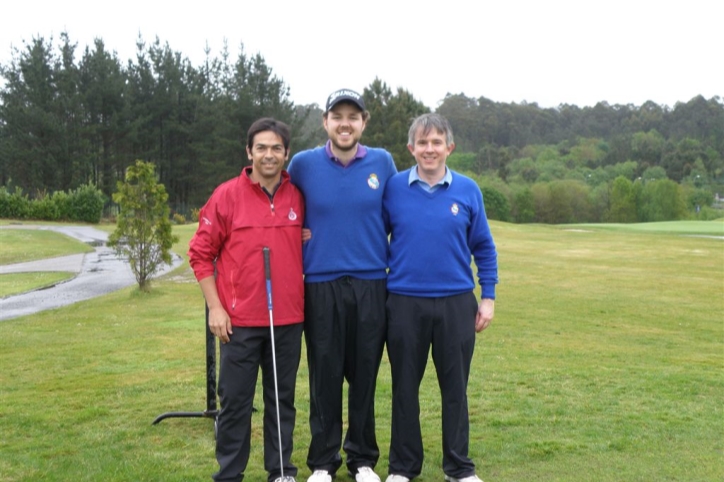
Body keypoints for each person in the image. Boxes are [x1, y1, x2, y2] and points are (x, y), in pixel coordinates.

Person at [286, 88, 397, 482]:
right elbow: (281, 203)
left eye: (353, 116)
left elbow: (397, 216)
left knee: (365, 373)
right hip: (320, 285)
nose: (345, 123)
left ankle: (362, 459)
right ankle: (322, 461)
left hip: (371, 284)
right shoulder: (302, 164)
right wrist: (293, 232)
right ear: (325, 122)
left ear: (363, 122)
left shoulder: (383, 163)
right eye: (338, 116)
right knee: (325, 375)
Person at [382, 113, 498, 482]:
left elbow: (484, 248)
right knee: (404, 389)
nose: (429, 149)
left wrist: (488, 297)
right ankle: (403, 467)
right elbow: (371, 237)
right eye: (422, 142)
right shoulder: (394, 188)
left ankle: (458, 468)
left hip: (456, 303)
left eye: (436, 142)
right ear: (410, 148)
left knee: (454, 390)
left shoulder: (468, 190)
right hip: (403, 302)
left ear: (449, 147)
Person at [188, 118, 305, 482]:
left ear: (286, 153)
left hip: (287, 319)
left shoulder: (297, 196)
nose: (268, 155)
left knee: (280, 400)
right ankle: (230, 474)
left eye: (276, 148)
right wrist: (216, 308)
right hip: (238, 323)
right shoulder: (227, 195)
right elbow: (200, 254)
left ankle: (281, 471)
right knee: (236, 403)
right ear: (249, 152)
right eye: (261, 148)